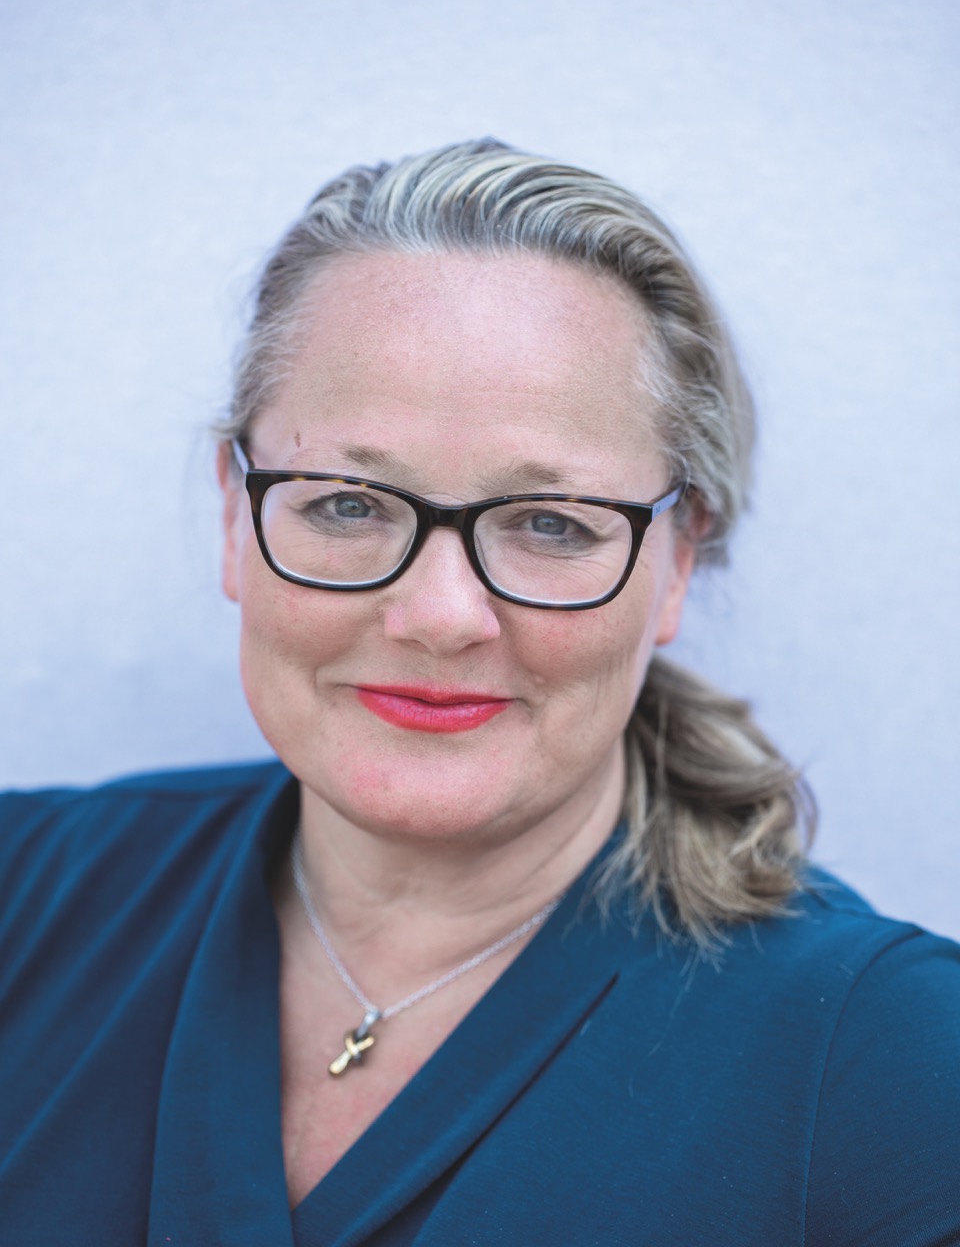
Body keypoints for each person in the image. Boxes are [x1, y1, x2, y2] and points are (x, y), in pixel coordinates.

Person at [1, 140, 957, 1247]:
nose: (440, 613)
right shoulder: (25, 897)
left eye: (551, 522)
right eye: (349, 504)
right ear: (234, 516)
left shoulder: (889, 1061)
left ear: (677, 562)